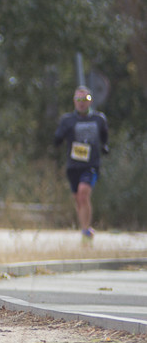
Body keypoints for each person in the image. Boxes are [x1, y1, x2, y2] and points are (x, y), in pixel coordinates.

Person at [53, 86, 109, 239]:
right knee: (78, 198)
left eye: (85, 99)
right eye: (78, 99)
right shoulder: (68, 120)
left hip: (91, 165)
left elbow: (104, 137)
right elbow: (58, 138)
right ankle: (85, 228)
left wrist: (105, 146)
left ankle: (85, 231)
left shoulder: (99, 119)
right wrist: (58, 139)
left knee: (83, 193)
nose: (82, 103)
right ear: (74, 101)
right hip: (73, 165)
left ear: (90, 101)